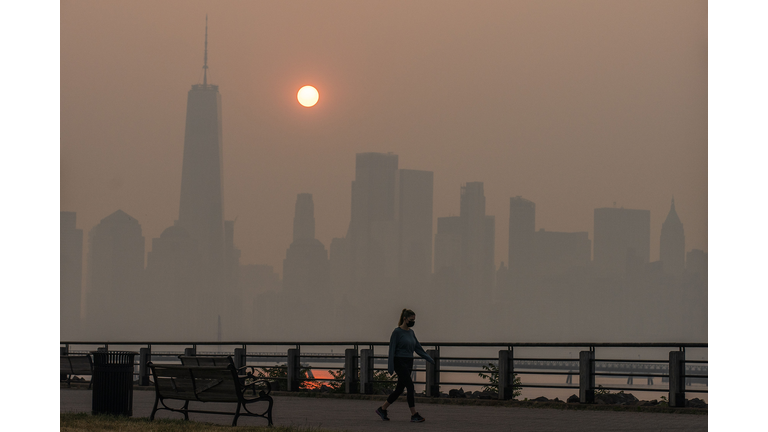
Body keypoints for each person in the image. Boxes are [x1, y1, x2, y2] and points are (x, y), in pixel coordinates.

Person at [375, 309, 434, 422]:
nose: (413, 322)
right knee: (410, 386)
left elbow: (417, 347)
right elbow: (392, 349)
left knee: (399, 389)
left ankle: (382, 409)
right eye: (411, 320)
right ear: (405, 319)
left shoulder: (411, 333)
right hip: (399, 361)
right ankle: (414, 414)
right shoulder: (397, 332)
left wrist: (428, 358)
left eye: (414, 320)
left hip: (409, 361)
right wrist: (390, 366)